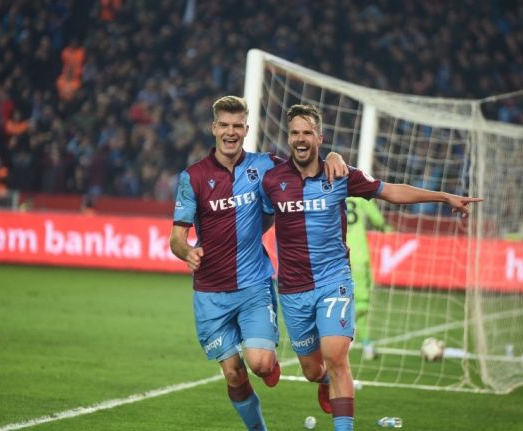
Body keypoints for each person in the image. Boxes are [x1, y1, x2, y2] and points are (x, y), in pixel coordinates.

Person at [259, 104, 482, 431]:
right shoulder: (272, 179)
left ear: (320, 138)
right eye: (295, 133)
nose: (301, 139)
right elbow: (259, 220)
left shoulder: (340, 174)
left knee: (336, 356)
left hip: (333, 280)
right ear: (289, 137)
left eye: (307, 133)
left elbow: (390, 191)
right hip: (293, 289)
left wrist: (443, 197)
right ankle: (323, 382)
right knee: (312, 369)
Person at [169, 96, 347, 430]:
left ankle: (322, 379)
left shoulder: (265, 166)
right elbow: (176, 237)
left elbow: (306, 160)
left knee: (261, 365)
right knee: (234, 374)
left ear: (247, 129)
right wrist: (187, 251)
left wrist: (334, 156)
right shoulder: (193, 177)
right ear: (214, 128)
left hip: (254, 286)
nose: (231, 132)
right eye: (224, 125)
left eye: (237, 126)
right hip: (210, 293)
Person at [345, 196, 391, 360]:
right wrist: (387, 228)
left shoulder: (332, 193)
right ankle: (345, 331)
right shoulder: (360, 194)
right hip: (358, 256)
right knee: (362, 302)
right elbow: (377, 219)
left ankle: (367, 345)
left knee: (345, 300)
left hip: (337, 257)